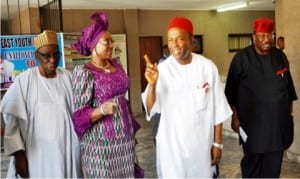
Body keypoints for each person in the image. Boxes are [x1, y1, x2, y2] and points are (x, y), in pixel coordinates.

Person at [142, 16, 232, 178]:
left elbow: (218, 107)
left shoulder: (207, 67)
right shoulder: (162, 70)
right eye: (170, 40)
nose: (173, 45)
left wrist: (218, 143)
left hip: (201, 148)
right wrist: (153, 85)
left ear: (192, 40)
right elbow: (150, 108)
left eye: (179, 39)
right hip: (172, 150)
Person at [0, 30, 82, 178]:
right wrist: (19, 155)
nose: (52, 60)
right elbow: (12, 121)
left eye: (56, 55)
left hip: (66, 151)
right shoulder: (25, 80)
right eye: (46, 56)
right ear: (37, 56)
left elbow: (80, 112)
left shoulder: (68, 77)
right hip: (35, 155)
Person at [71, 11, 141, 178]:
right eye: (106, 42)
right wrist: (101, 110)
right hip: (100, 145)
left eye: (112, 41)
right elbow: (79, 116)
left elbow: (123, 100)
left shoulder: (117, 65)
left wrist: (130, 128)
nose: (112, 45)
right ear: (93, 45)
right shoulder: (84, 72)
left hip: (124, 139)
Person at [225, 18, 297, 178]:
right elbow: (230, 92)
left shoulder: (280, 57)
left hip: (277, 126)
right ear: (253, 36)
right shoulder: (241, 59)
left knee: (273, 169)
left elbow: (289, 91)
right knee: (252, 167)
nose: (266, 40)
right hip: (252, 127)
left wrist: (289, 116)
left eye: (269, 35)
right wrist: (235, 118)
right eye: (261, 36)